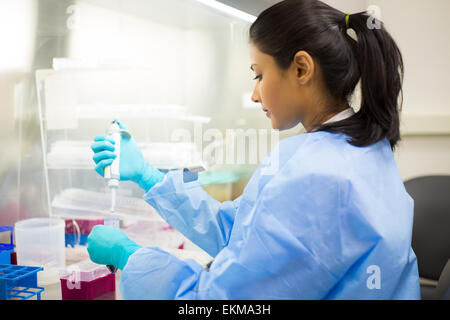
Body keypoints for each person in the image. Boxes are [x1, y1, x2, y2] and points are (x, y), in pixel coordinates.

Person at [87, 0, 420, 299]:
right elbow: (243, 233)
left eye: (259, 75)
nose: (255, 95)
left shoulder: (315, 174)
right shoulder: (360, 148)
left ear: (302, 69)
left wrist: (131, 258)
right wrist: (150, 175)